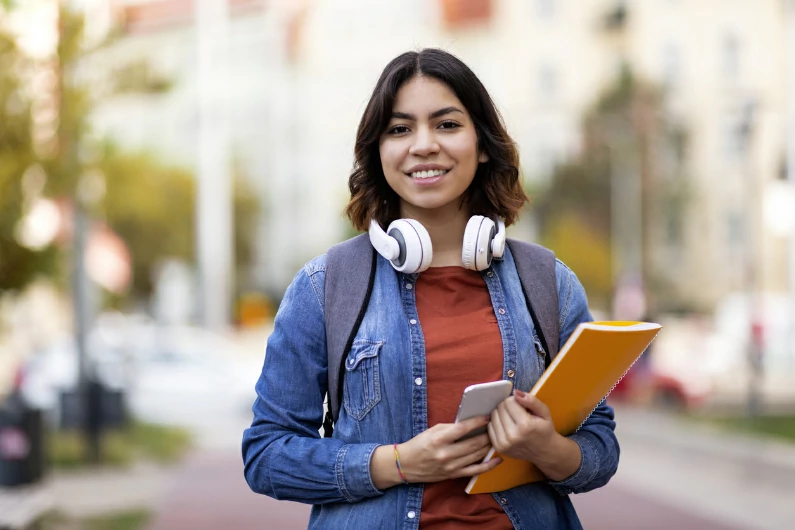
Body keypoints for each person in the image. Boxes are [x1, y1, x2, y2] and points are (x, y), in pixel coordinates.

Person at [242, 48, 619, 529]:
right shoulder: (325, 286)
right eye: (400, 129)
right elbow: (267, 455)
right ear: (378, 152)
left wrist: (548, 449)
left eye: (447, 124)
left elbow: (600, 449)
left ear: (483, 144)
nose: (423, 145)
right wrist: (398, 463)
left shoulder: (549, 282)